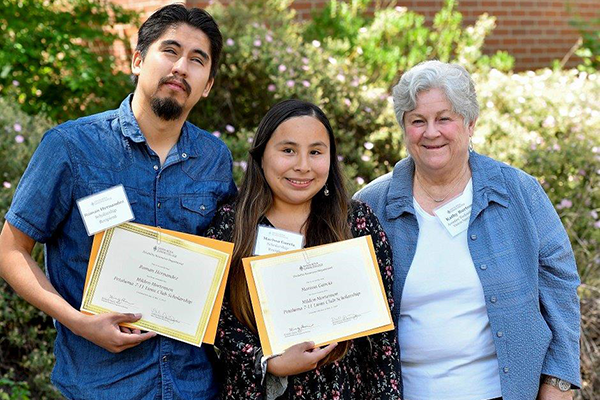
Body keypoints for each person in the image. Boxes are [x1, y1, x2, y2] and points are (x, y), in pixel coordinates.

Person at [0, 4, 235, 399]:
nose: (181, 67)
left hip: (192, 385)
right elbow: (10, 250)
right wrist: (77, 322)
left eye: (198, 60)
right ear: (138, 60)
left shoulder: (215, 158)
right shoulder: (72, 147)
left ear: (208, 84)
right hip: (101, 385)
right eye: (170, 51)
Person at [355, 60, 581, 400]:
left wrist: (560, 380)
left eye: (444, 118)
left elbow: (559, 284)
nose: (431, 132)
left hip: (503, 392)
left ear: (470, 123)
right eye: (418, 121)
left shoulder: (518, 192)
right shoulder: (370, 206)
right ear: (404, 128)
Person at [205, 99, 401, 399]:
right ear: (261, 156)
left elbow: (382, 340)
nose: (303, 165)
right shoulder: (231, 226)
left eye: (316, 152)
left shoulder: (357, 223)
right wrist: (268, 361)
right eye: (288, 150)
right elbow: (216, 322)